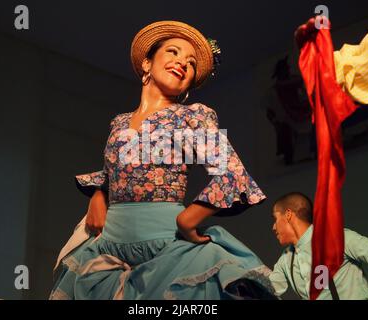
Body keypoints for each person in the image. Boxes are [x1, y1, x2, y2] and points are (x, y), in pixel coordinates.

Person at [49, 21, 276, 300]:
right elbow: (115, 172)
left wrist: (188, 218)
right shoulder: (119, 123)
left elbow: (231, 174)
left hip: (168, 248)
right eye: (173, 51)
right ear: (147, 64)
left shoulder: (192, 116)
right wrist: (98, 194)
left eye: (191, 63)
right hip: (106, 248)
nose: (182, 62)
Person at [269, 192, 368, 300]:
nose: (273, 227)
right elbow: (266, 290)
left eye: (275, 219)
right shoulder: (286, 260)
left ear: (288, 214)